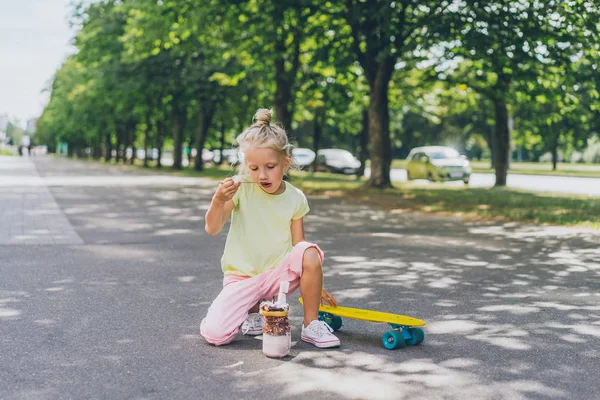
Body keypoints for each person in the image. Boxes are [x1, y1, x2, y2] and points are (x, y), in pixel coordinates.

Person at [200, 108, 341, 348]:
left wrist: (315, 282)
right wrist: (218, 200)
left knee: (310, 251)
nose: (262, 175)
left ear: (285, 163)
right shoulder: (240, 188)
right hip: (242, 278)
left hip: (278, 276)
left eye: (270, 166)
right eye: (254, 168)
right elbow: (212, 229)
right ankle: (253, 310)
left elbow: (300, 247)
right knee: (215, 334)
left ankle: (311, 325)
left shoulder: (296, 197)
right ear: (247, 165)